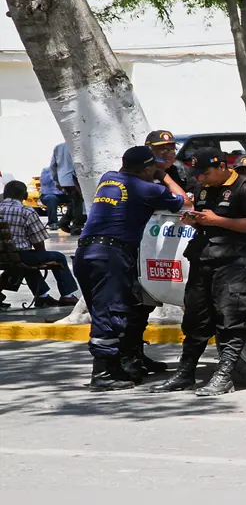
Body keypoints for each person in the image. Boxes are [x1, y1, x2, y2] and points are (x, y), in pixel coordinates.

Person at [150, 148, 246, 396]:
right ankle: (185, 373)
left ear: (222, 166)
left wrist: (218, 221)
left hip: (232, 263)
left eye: (205, 172)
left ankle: (224, 376)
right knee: (195, 320)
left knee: (230, 320)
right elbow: (204, 214)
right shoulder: (203, 188)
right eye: (198, 173)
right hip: (201, 258)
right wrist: (195, 220)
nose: (201, 177)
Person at [73, 147, 191, 390]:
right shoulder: (149, 188)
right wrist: (164, 176)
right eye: (152, 168)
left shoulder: (108, 178)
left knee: (106, 313)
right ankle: (103, 375)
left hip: (85, 253)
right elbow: (186, 203)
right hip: (110, 255)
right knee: (110, 315)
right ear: (148, 168)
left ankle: (116, 367)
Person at [0, 180, 80, 308]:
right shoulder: (26, 212)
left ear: (4, 195)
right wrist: (40, 253)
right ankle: (67, 295)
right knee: (57, 257)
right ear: (24, 196)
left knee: (25, 263)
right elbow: (38, 243)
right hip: (20, 255)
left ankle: (43, 297)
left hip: (4, 256)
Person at [49, 141, 86, 235]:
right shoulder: (78, 145)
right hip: (74, 179)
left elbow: (53, 166)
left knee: (74, 202)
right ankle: (76, 226)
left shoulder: (59, 147)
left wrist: (56, 181)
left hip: (63, 179)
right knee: (79, 203)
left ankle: (64, 222)